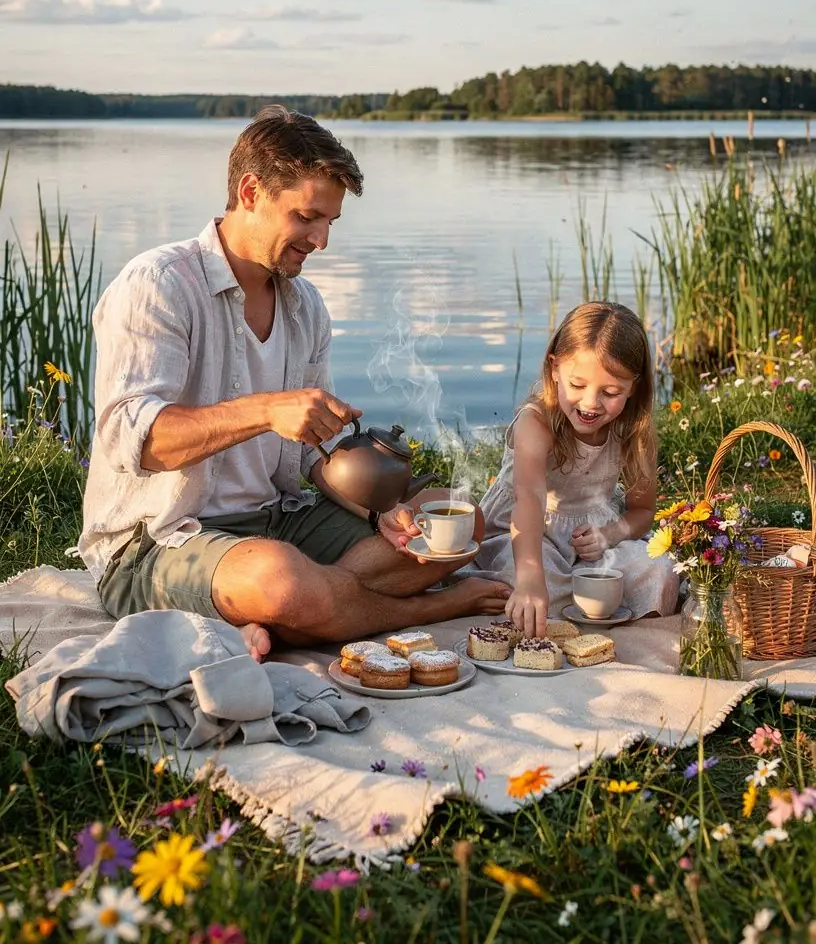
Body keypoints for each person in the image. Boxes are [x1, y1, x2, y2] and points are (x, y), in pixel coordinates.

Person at [79, 107, 509, 658]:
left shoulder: (305, 306)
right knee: (281, 580)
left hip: (278, 522)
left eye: (330, 222)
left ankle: (293, 615)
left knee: (459, 522)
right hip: (158, 540)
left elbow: (313, 457)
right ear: (251, 190)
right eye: (308, 217)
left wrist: (379, 514)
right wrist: (265, 411)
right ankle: (425, 606)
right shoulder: (158, 285)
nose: (321, 240)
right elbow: (132, 443)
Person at [473, 301, 678, 638]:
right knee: (528, 583)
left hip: (593, 533)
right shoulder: (536, 422)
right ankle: (578, 604)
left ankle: (578, 604)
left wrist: (608, 535)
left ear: (634, 387)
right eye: (578, 385)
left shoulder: (632, 429)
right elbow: (529, 502)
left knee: (660, 570)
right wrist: (530, 580)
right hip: (527, 534)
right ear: (554, 368)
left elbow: (642, 511)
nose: (591, 404)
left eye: (610, 392)